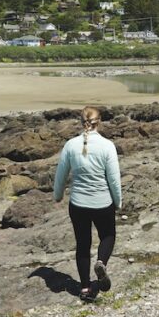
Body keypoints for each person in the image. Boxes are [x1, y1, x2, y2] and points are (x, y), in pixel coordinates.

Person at [53, 106, 122, 302]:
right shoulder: (107, 146)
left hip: (78, 204)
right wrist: (118, 202)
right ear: (99, 122)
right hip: (102, 203)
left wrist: (58, 195)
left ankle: (84, 289)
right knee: (108, 235)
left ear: (81, 121)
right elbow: (114, 179)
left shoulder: (70, 145)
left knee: (82, 245)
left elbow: (61, 174)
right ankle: (101, 262)